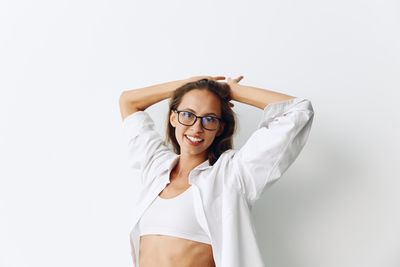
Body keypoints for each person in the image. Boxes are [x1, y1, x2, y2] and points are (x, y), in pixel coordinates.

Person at [119, 75, 314, 267]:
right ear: (173, 117)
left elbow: (299, 110)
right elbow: (128, 102)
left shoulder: (232, 176)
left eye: (209, 119)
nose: (197, 128)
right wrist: (188, 85)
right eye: (187, 114)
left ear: (219, 128)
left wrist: (230, 90)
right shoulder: (156, 166)